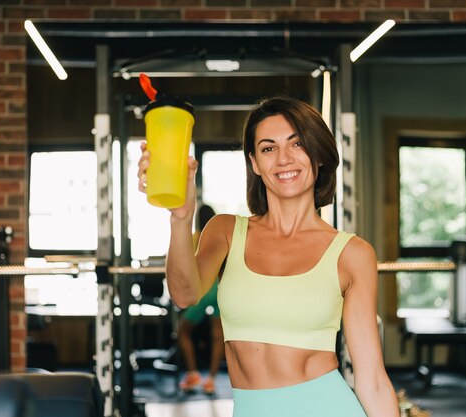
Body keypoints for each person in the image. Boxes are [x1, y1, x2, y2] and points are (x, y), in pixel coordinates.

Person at [138, 95, 399, 417]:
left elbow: (372, 379)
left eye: (297, 144)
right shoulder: (225, 231)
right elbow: (184, 294)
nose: (284, 159)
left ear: (318, 154)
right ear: (254, 163)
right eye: (268, 148)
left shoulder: (352, 253)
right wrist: (180, 217)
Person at [176, 203, 224, 395]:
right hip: (219, 290)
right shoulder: (222, 238)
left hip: (202, 291)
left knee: (183, 332)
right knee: (218, 336)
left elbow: (186, 265)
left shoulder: (196, 238)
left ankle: (193, 373)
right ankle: (211, 380)